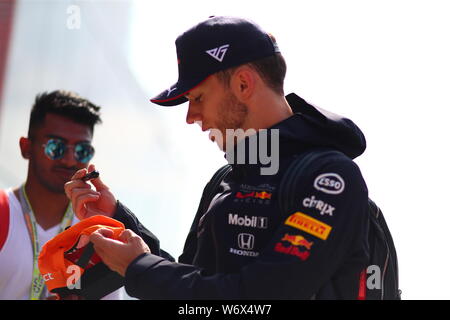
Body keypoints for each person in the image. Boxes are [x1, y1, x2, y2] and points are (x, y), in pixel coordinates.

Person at [65, 16, 371, 299]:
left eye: (197, 98)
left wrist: (139, 267)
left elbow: (262, 297)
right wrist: (118, 220)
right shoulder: (225, 180)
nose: (190, 117)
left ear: (243, 84)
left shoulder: (330, 178)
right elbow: (194, 285)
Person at [0, 90, 124, 299]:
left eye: (82, 150)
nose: (69, 160)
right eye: (55, 147)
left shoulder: (98, 233)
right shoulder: (4, 212)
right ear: (26, 148)